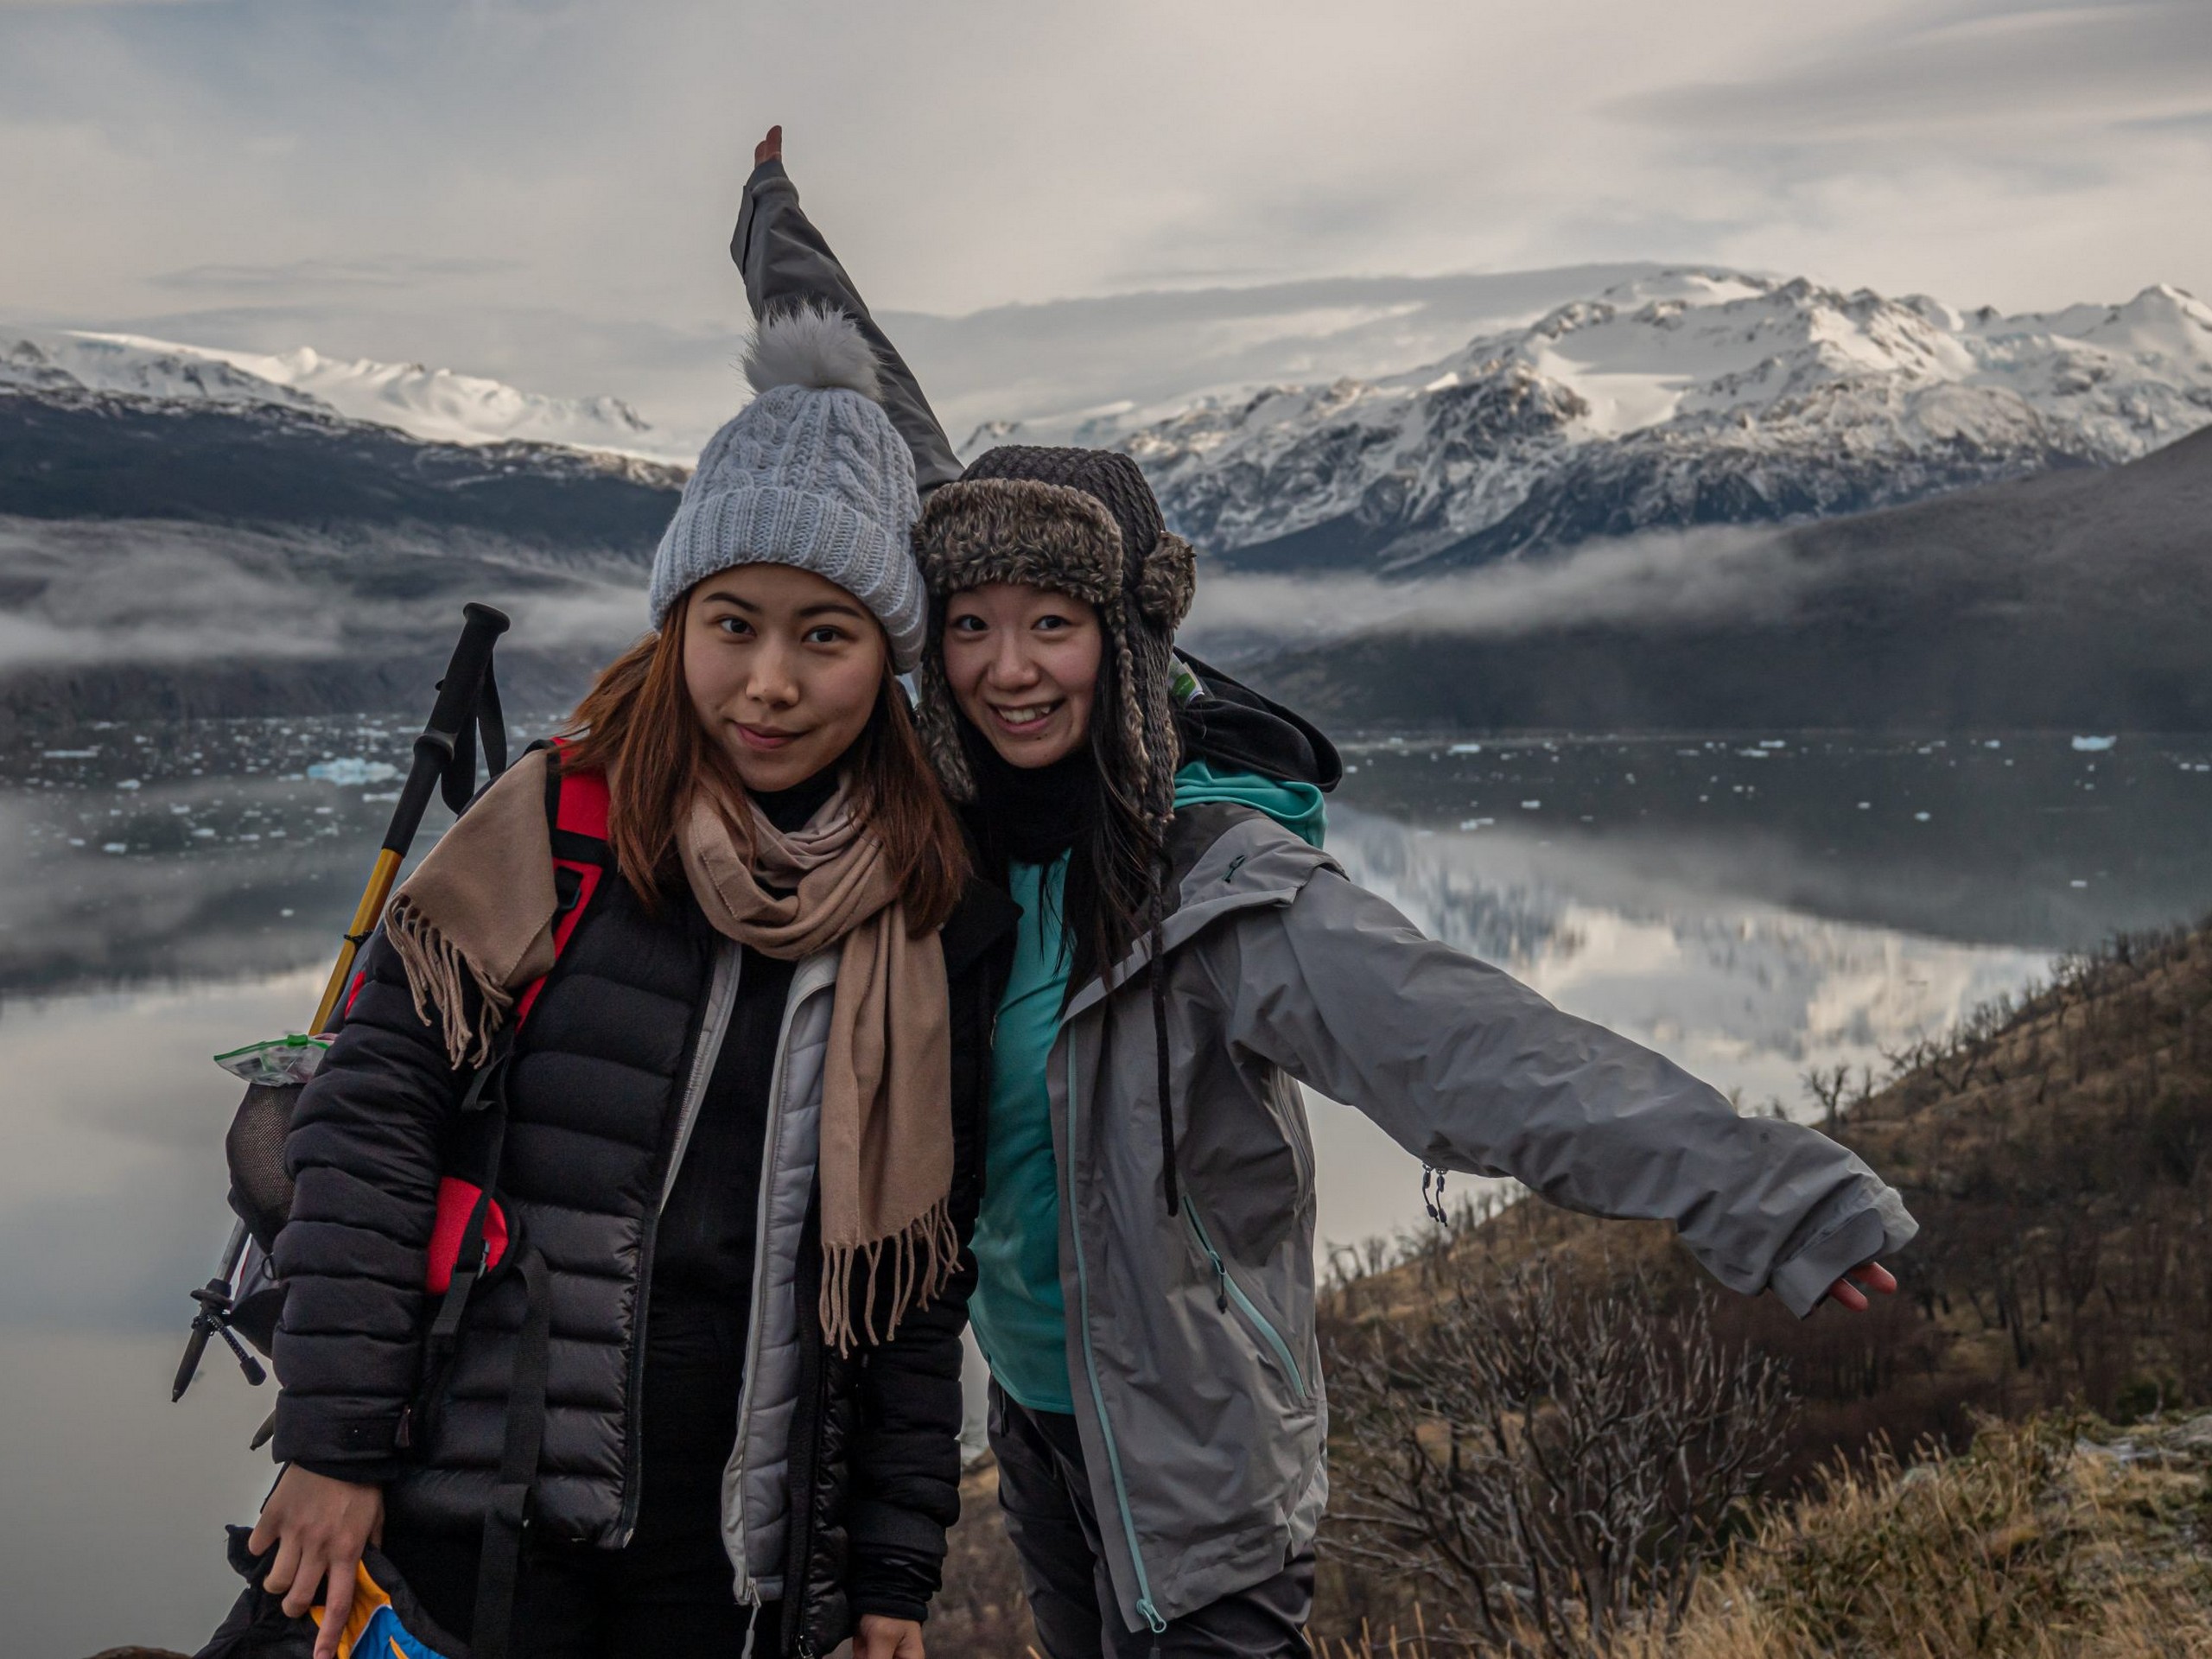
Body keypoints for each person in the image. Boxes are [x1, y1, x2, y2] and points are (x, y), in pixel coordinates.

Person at [733, 130, 1915, 1659]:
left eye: (1053, 626)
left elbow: (1478, 1054)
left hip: (1203, 1470)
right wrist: (777, 243)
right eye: (968, 625)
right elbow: (896, 426)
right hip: (1036, 1421)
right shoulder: (954, 832)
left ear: (1130, 643)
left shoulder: (1221, 896)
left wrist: (1763, 1193)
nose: (1007, 667)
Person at [245, 305, 1013, 1659]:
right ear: (678, 623)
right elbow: (368, 1124)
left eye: (825, 636)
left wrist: (890, 1570)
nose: (768, 685)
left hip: (737, 1551)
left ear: (885, 655)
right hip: (480, 1508)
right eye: (734, 625)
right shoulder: (555, 826)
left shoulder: (921, 907)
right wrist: (333, 1441)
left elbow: (913, 1270)